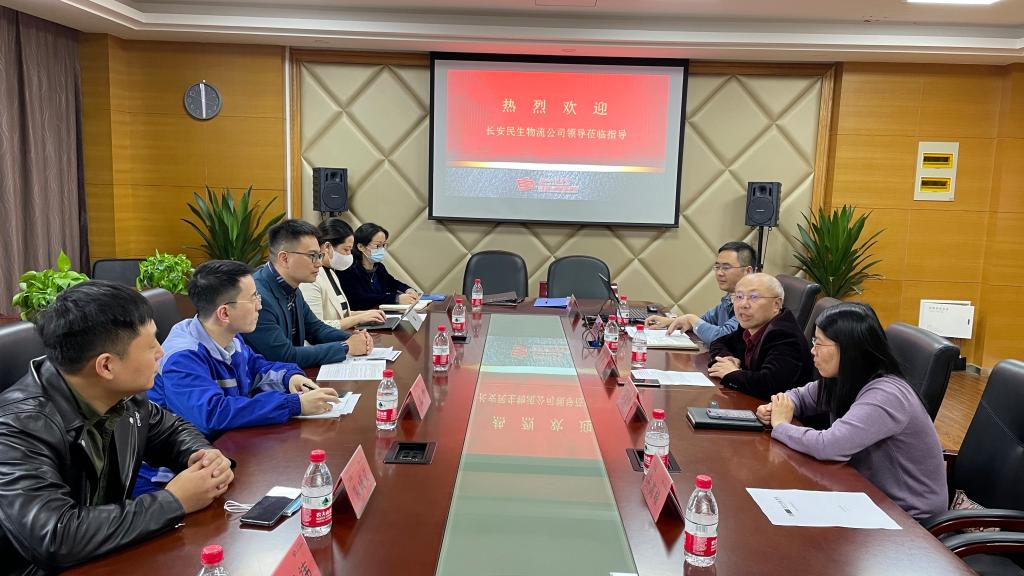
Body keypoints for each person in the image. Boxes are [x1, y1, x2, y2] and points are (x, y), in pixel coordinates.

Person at [0, 281, 234, 574]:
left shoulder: (123, 396)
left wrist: (202, 456)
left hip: (106, 556)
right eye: (151, 345)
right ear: (106, 366)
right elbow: (55, 536)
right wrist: (174, 501)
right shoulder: (17, 427)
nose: (161, 352)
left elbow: (171, 429)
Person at [756, 303, 947, 521]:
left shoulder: (886, 395)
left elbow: (829, 446)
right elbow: (800, 396)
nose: (812, 350)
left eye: (819, 343)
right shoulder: (847, 379)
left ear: (848, 348)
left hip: (908, 516)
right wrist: (777, 406)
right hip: (865, 494)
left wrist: (781, 425)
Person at [243, 219, 373, 368]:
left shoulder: (291, 286)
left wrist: (354, 337)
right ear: (284, 258)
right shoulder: (257, 297)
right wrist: (346, 347)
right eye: (312, 256)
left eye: (319, 256)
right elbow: (284, 356)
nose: (319, 263)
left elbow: (316, 329)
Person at [706, 273, 814, 399]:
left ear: (776, 304)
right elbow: (719, 342)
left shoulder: (785, 336)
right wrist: (728, 358)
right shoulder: (752, 325)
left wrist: (732, 373)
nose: (743, 304)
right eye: (739, 297)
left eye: (753, 297)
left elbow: (769, 385)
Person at [645, 241, 754, 343]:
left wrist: (690, 318)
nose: (719, 273)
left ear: (748, 271)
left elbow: (724, 337)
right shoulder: (729, 298)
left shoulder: (753, 303)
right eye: (717, 267)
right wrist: (671, 322)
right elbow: (704, 322)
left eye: (726, 267)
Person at [299, 218, 387, 330]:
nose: (350, 255)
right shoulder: (310, 278)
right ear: (327, 247)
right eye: (346, 250)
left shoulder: (331, 272)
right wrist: (359, 318)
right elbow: (315, 327)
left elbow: (342, 314)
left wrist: (367, 314)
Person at [339, 222, 420, 311]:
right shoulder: (348, 269)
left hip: (380, 314)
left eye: (383, 245)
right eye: (378, 245)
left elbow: (392, 283)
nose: (381, 249)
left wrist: (408, 290)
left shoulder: (379, 267)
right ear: (361, 246)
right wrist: (396, 298)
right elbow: (360, 299)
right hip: (361, 315)